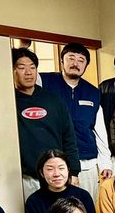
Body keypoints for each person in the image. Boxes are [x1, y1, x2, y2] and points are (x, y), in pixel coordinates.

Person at [41, 42, 113, 200]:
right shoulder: (45, 82)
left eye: (81, 60)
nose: (75, 63)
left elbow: (100, 131)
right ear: (62, 60)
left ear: (86, 65)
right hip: (56, 163)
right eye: (71, 58)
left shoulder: (92, 92)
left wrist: (105, 164)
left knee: (85, 206)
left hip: (87, 163)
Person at [12, 47, 80, 199]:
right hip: (24, 178)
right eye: (22, 68)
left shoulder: (53, 100)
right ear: (12, 71)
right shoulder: (9, 101)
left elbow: (69, 137)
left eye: (32, 67)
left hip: (56, 176)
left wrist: (74, 172)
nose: (28, 72)